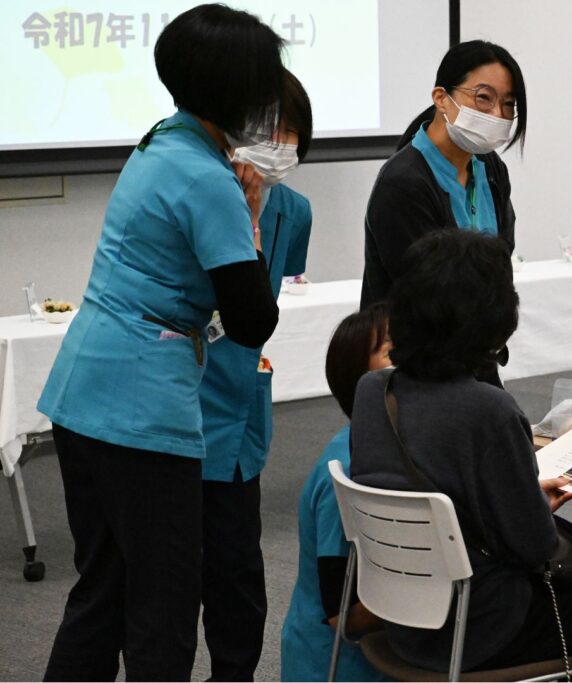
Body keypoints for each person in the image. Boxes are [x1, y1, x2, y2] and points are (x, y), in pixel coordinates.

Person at [35, 5, 284, 680]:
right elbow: (253, 319)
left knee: (103, 592)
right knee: (163, 608)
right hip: (141, 411)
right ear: (234, 87)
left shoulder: (160, 141)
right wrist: (252, 217)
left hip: (83, 392)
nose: (270, 100)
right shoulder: (208, 178)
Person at [349, 230, 572, 680]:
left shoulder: (373, 392)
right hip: (483, 626)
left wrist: (522, 500)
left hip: (406, 621)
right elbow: (534, 547)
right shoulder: (489, 410)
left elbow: (432, 490)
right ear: (493, 318)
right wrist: (530, 507)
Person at [197, 68, 313, 681]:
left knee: (238, 566)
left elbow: (265, 302)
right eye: (266, 130)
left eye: (290, 133)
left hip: (241, 398)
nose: (278, 145)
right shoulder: (201, 187)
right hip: (183, 390)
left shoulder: (295, 210)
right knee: (168, 569)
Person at [360, 39, 525, 309]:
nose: (497, 114)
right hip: (414, 334)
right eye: (484, 98)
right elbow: (423, 291)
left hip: (481, 332)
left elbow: (502, 262)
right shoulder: (402, 183)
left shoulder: (491, 168)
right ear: (441, 98)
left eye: (508, 104)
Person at [280, 304, 391, 682]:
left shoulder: (385, 450)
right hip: (333, 666)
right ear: (361, 380)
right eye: (391, 352)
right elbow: (339, 615)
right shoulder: (344, 471)